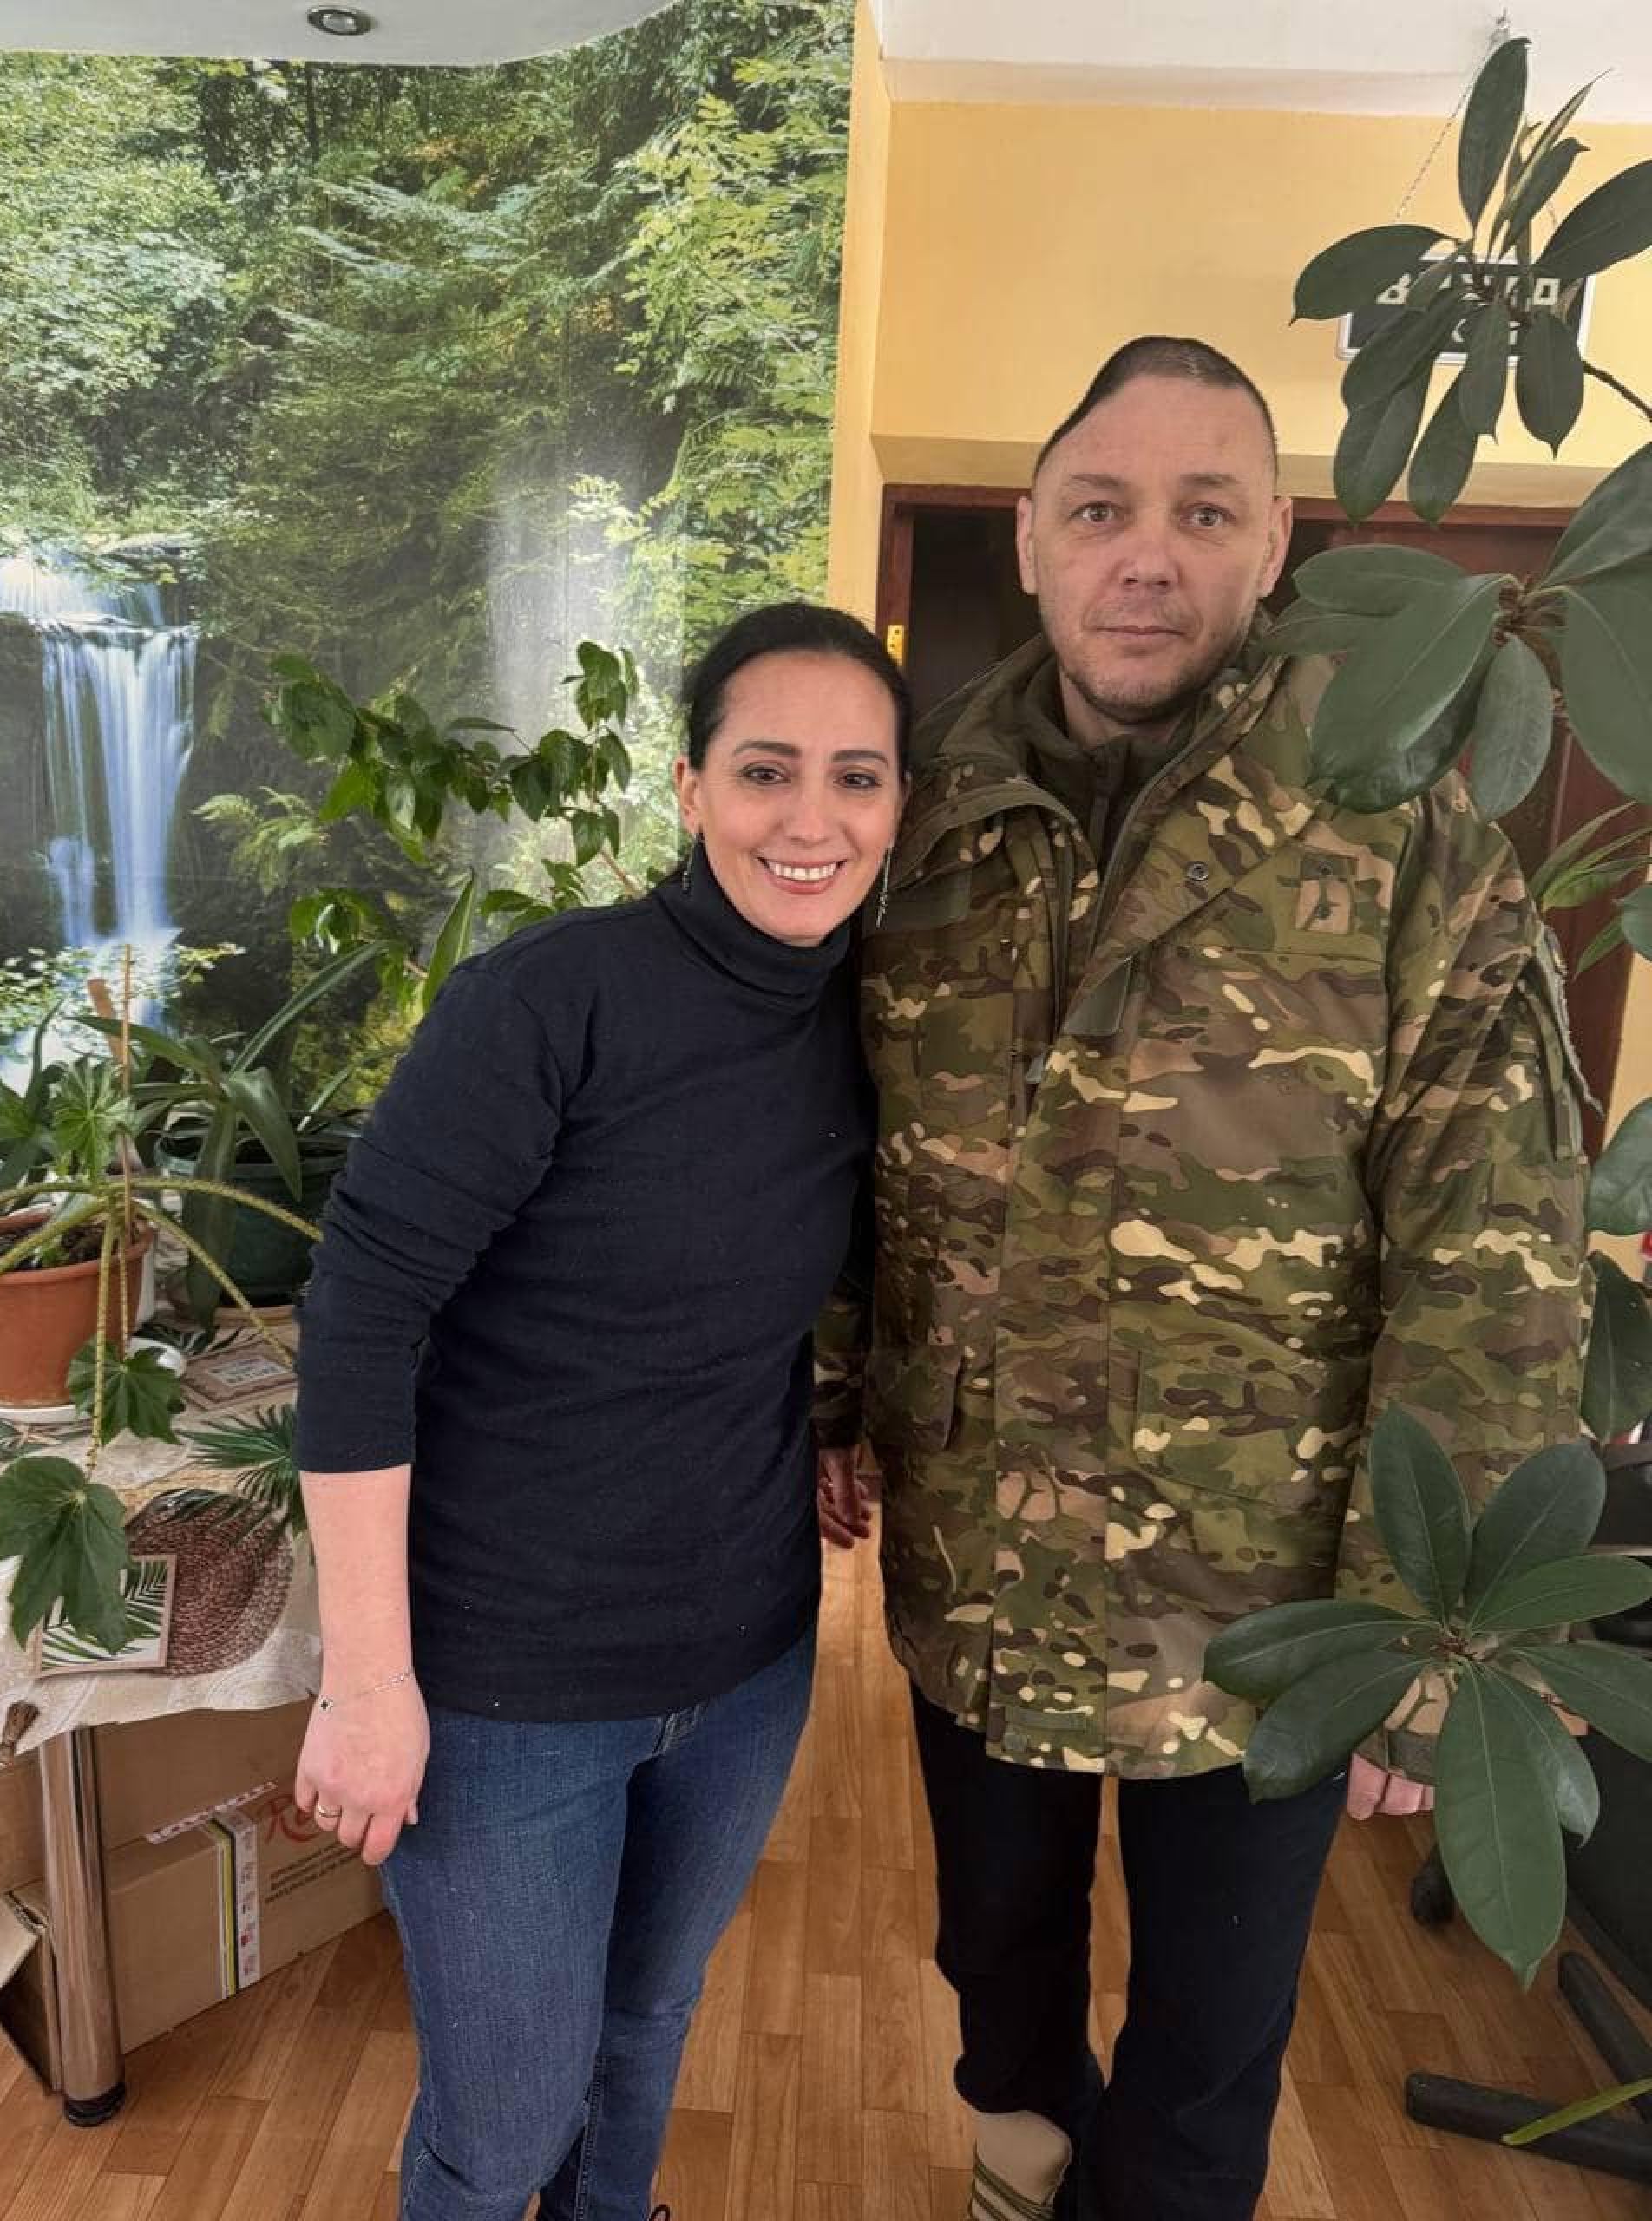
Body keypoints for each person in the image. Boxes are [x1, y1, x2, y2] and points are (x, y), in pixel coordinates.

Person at [815, 337, 1588, 2221]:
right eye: (1100, 508)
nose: (1145, 554)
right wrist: (831, 1387)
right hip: (980, 1550)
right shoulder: (920, 809)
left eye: (1203, 510)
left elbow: (1492, 1252)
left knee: (1212, 2031)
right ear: (1034, 537)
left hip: (1259, 1598)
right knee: (994, 1953)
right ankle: (1019, 2154)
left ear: (1275, 547)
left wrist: (1425, 1633)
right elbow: (838, 1137)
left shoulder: (1395, 821)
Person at [292, 600, 908, 2221]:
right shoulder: (551, 1003)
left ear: (899, 806)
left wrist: (832, 1416)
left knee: (644, 2033)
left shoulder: (872, 1023)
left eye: (857, 776)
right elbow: (358, 1320)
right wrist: (368, 1683)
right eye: (766, 769)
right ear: (691, 788)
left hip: (747, 1662)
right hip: (508, 1688)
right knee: (502, 2128)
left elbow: (778, 1273)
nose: (812, 817)